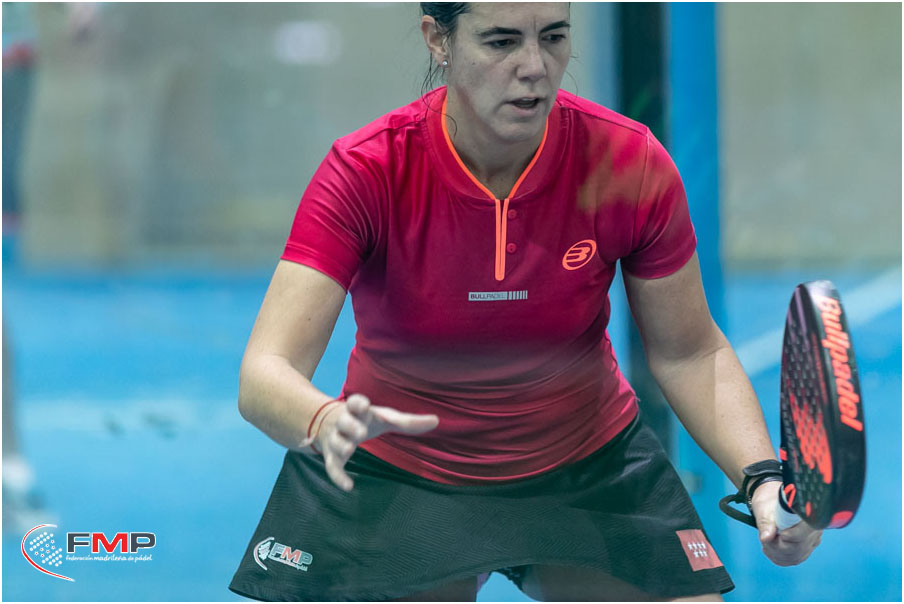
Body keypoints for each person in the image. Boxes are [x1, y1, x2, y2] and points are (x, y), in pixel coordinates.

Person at [229, 3, 822, 601]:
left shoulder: (628, 163)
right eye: (502, 41)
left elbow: (689, 351)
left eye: (554, 37)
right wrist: (324, 420)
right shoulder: (367, 169)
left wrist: (762, 480)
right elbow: (264, 372)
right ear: (438, 39)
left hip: (587, 465)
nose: (535, 66)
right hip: (394, 467)